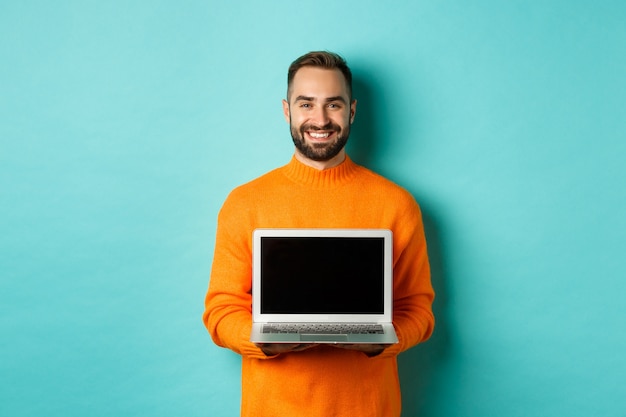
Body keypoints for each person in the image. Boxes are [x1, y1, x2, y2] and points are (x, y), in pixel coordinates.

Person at [203, 51, 435, 417]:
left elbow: (418, 310)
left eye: (334, 104)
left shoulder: (396, 204)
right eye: (306, 103)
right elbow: (220, 310)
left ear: (352, 111)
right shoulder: (245, 203)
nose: (320, 119)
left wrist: (382, 343)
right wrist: (263, 341)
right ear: (287, 111)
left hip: (369, 408)